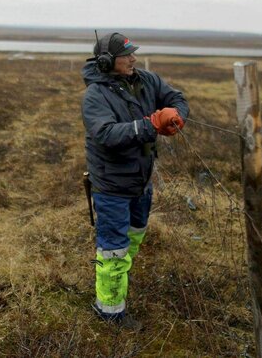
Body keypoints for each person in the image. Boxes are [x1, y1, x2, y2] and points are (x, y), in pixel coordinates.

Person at [81, 32, 189, 329]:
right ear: (106, 61)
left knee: (135, 235)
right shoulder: (95, 96)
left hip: (141, 181)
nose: (134, 59)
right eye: (127, 55)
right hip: (112, 187)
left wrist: (175, 116)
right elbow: (107, 135)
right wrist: (150, 124)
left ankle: (117, 280)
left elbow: (176, 97)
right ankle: (110, 312)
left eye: (134, 53)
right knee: (114, 249)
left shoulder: (147, 80)